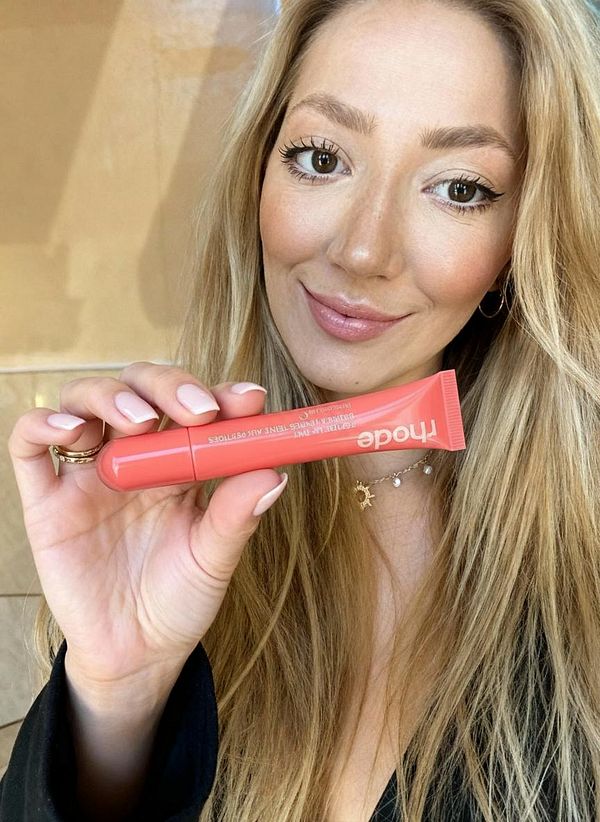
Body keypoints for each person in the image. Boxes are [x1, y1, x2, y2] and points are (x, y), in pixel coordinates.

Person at [3, 0, 600, 818]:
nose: (362, 250)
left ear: (520, 239)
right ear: (260, 172)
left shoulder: (583, 567)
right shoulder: (167, 533)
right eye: (321, 158)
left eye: (459, 188)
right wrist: (119, 699)